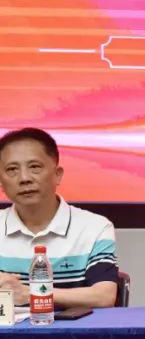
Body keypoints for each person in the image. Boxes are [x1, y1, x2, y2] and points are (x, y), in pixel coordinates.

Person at [0, 127, 119, 308]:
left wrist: (31, 294)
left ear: (57, 175)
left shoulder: (94, 227)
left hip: (76, 328)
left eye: (34, 167)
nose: (24, 178)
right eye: (12, 170)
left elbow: (104, 296)